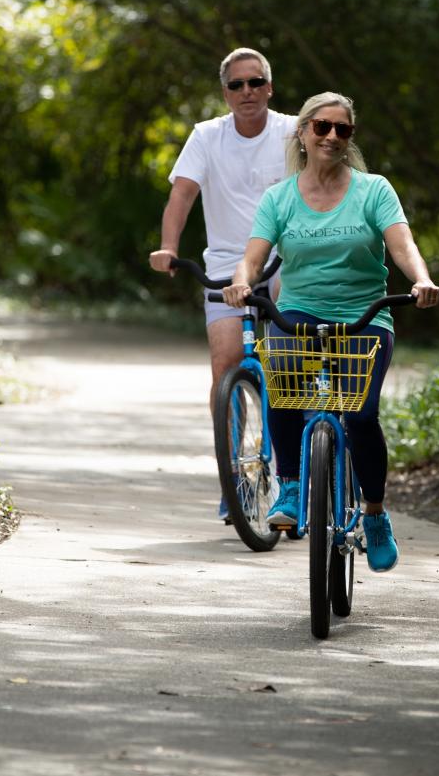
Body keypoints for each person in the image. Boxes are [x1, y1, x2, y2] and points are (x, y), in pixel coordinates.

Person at [223, 92, 439, 572]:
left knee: (361, 416)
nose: (332, 137)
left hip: (364, 316)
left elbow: (402, 244)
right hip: (300, 312)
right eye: (322, 127)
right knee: (281, 379)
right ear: (302, 132)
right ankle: (294, 485)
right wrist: (242, 283)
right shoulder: (280, 198)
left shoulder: (374, 190)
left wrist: (420, 278)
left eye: (343, 130)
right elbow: (254, 256)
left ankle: (375, 513)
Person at [148, 47, 297, 523]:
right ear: (225, 93)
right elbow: (182, 194)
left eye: (255, 83)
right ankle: (236, 478)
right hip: (228, 265)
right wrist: (168, 248)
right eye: (237, 85)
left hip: (288, 261)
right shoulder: (207, 136)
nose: (247, 92)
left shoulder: (293, 132)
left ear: (269, 87)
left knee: (287, 369)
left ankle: (293, 477)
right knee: (226, 365)